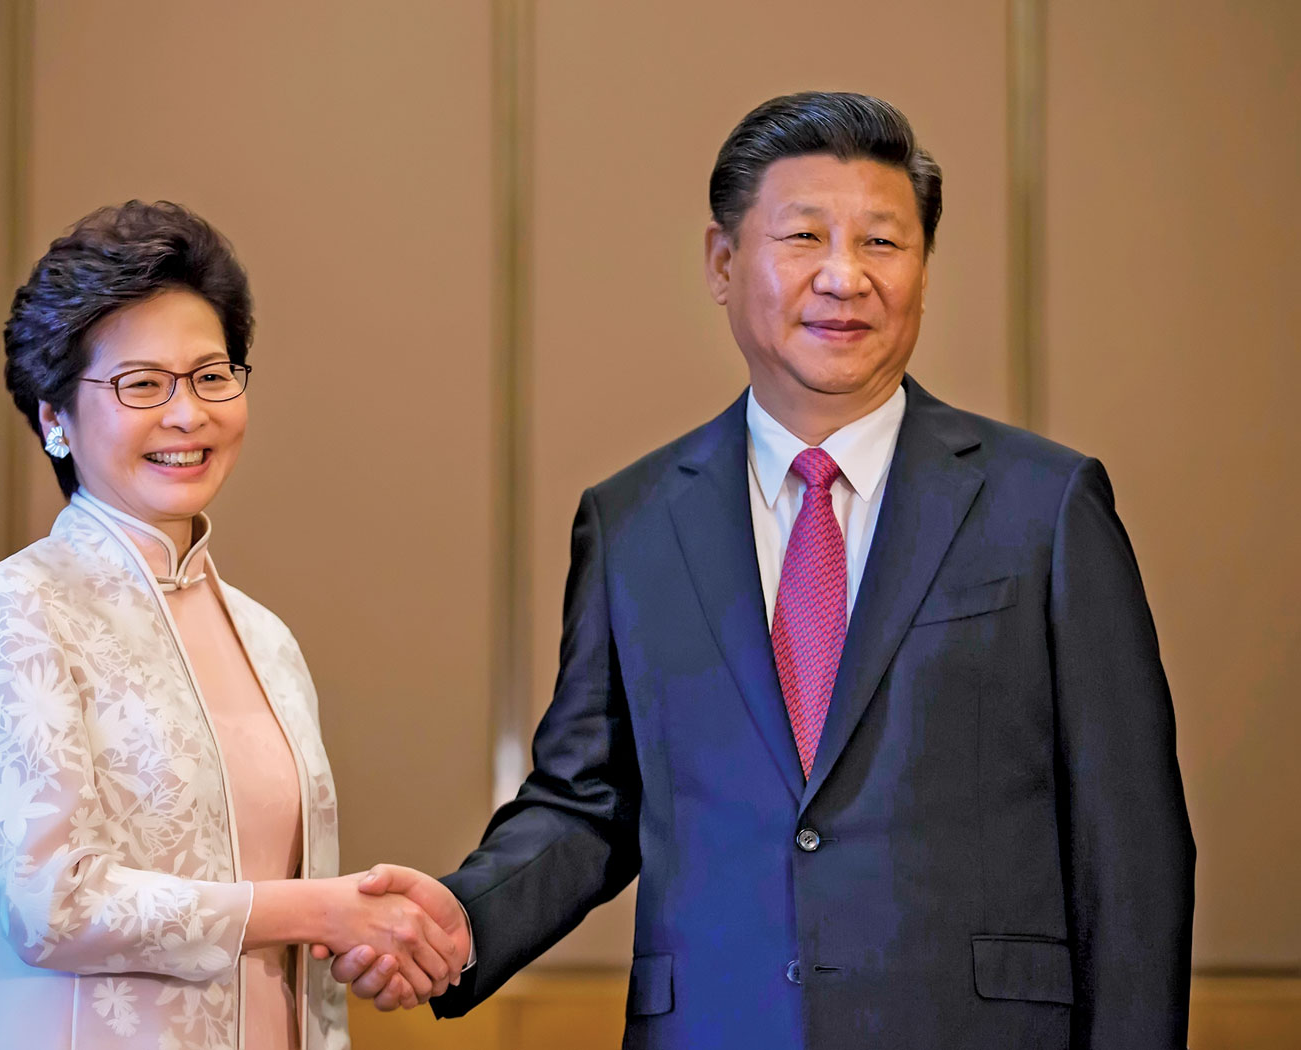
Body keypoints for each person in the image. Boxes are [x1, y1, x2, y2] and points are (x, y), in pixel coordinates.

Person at [330, 92, 1195, 1047]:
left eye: (881, 243)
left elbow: (1130, 843)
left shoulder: (1045, 505)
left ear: (922, 268)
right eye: (804, 237)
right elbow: (591, 800)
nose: (844, 277)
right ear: (721, 262)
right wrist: (466, 919)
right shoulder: (634, 522)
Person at [0, 200, 466, 1050]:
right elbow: (49, 904)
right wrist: (320, 910)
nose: (187, 414)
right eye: (142, 384)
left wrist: (371, 939)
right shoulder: (17, 607)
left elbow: (288, 922)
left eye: (211, 375)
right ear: (54, 418)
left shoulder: (265, 639)